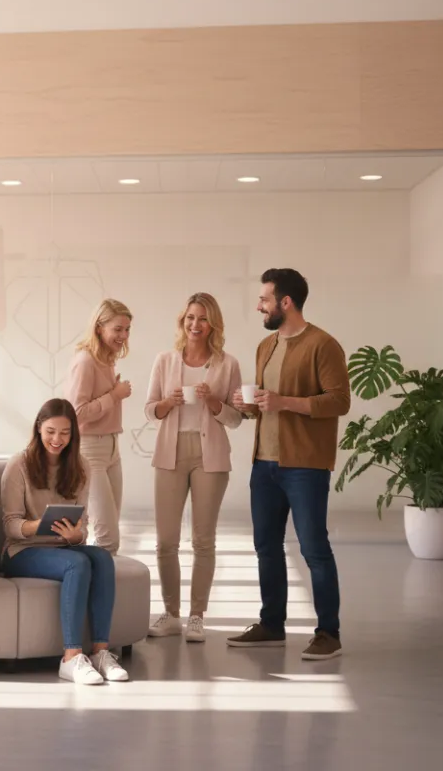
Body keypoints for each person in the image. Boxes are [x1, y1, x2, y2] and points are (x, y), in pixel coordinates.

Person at [230, 268, 350, 661]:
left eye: (264, 299)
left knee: (314, 548)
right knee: (266, 546)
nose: (259, 305)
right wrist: (248, 407)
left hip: (305, 466)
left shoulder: (323, 344)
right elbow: (267, 404)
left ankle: (328, 633)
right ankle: (271, 624)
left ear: (285, 302)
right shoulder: (266, 346)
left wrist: (283, 402)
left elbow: (338, 401)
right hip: (263, 463)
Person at [1, 398, 129, 685]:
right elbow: (10, 526)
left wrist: (77, 535)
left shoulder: (80, 465)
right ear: (38, 428)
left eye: (64, 433)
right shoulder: (19, 464)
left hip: (61, 547)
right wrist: (39, 525)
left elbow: (81, 526)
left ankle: (100, 651)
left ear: (73, 434)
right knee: (77, 562)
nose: (56, 439)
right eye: (50, 431)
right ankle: (70, 658)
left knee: (101, 557)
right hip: (22, 550)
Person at [144, 293, 244, 643]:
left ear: (212, 324)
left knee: (203, 541)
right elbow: (148, 411)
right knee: (165, 541)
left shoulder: (227, 364)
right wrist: (167, 403)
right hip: (169, 453)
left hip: (210, 456)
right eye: (190, 317)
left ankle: (196, 616)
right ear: (182, 321)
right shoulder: (164, 360)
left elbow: (236, 419)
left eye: (202, 318)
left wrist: (214, 402)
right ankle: (170, 614)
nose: (195, 324)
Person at [66, 298, 133, 554]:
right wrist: (114, 395)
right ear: (99, 328)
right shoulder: (85, 361)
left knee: (110, 530)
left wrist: (111, 393)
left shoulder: (106, 359)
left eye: (127, 330)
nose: (124, 336)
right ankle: (102, 591)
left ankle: (104, 587)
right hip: (90, 450)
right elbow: (76, 413)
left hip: (112, 448)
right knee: (108, 537)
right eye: (118, 329)